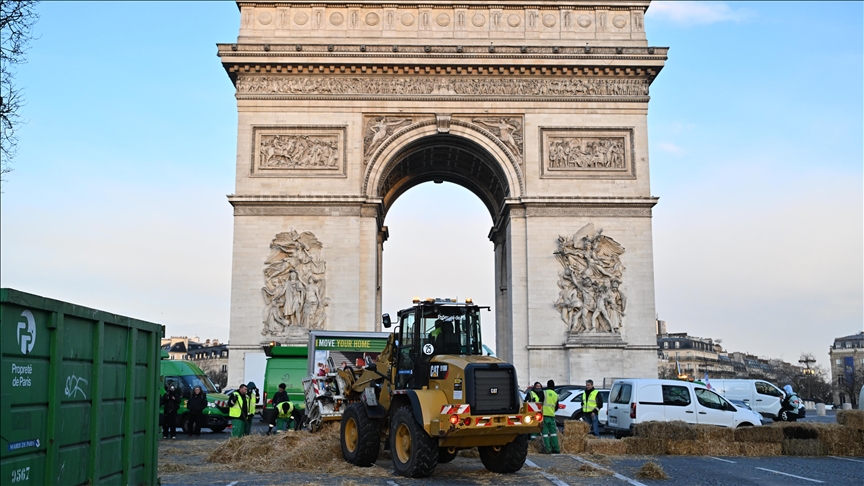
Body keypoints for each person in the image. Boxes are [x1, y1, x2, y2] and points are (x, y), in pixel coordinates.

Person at [541, 379, 560, 454]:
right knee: (553, 433)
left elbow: (540, 403)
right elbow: (556, 407)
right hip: (552, 415)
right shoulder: (556, 395)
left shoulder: (544, 393)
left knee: (545, 433)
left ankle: (547, 449)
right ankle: (556, 448)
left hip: (544, 415)